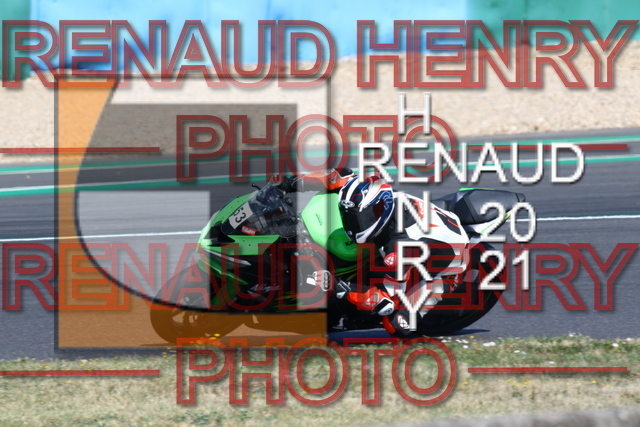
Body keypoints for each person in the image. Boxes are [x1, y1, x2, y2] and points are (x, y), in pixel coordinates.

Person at [275, 168, 456, 337]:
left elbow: (385, 300)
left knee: (397, 324)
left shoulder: (400, 249)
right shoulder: (365, 192)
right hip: (423, 230)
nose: (353, 224)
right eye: (350, 216)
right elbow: (336, 176)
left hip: (447, 263)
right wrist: (290, 183)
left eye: (359, 219)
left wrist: (339, 286)